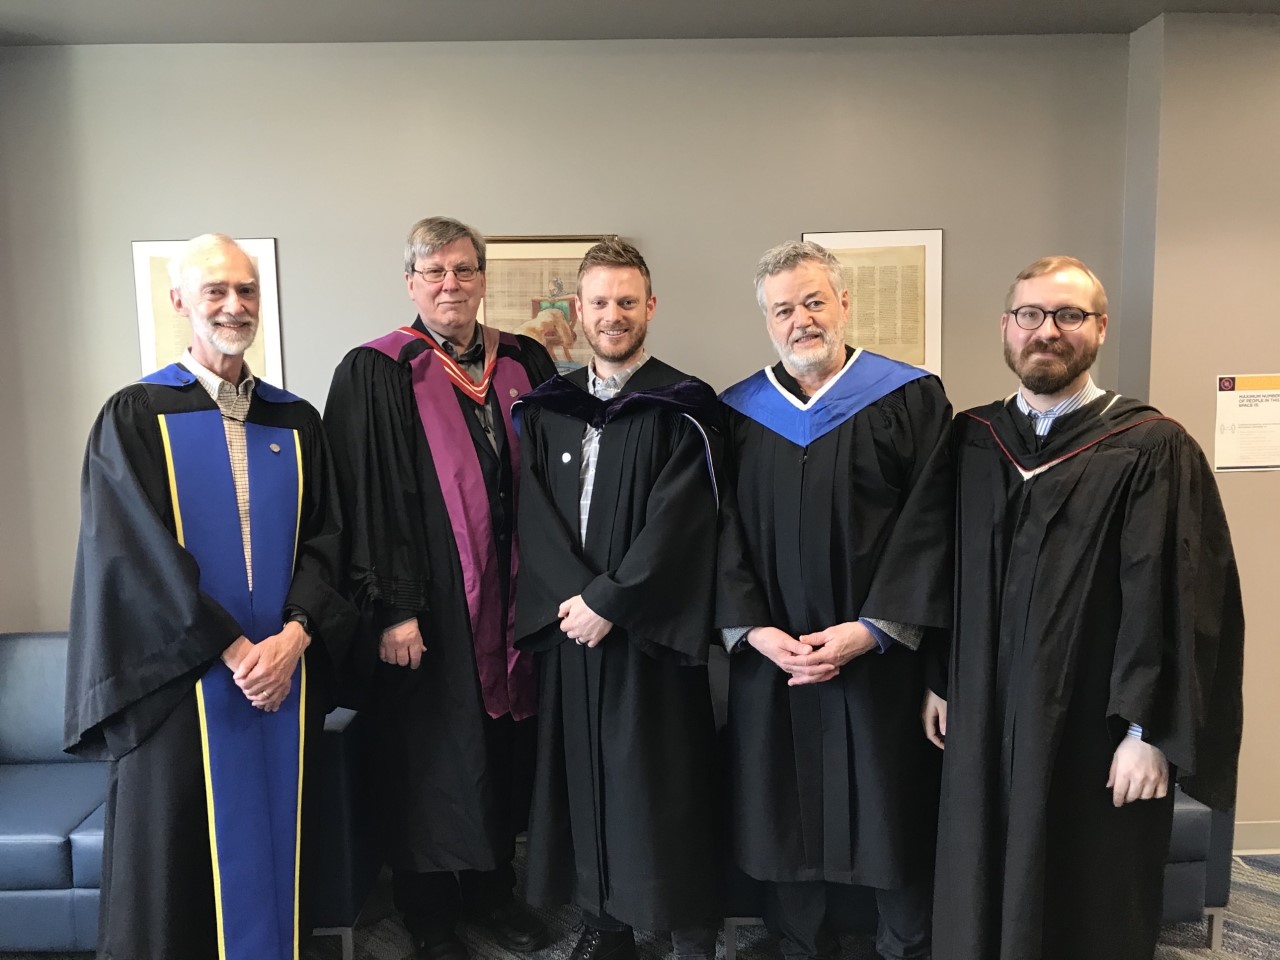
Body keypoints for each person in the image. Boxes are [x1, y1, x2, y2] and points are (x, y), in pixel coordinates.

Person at [926, 256, 1245, 960]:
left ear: (1099, 328)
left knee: (1087, 892)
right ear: (1007, 327)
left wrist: (1148, 732)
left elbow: (1184, 597)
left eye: (1069, 315)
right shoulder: (972, 439)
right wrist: (941, 680)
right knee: (978, 879)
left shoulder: (1152, 445)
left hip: (1096, 728)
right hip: (981, 716)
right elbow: (943, 572)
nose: (1047, 331)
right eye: (1031, 314)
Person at [65, 233, 355, 960]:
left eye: (246, 290)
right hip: (181, 683)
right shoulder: (137, 416)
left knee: (281, 848)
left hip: (282, 679)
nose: (234, 305)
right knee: (179, 871)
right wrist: (232, 649)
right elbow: (133, 556)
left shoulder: (295, 420)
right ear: (180, 302)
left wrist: (293, 639)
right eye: (215, 290)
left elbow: (329, 541)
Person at [323, 217, 556, 960]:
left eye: (462, 269)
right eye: (434, 272)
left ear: (483, 278)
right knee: (427, 754)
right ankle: (428, 917)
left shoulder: (524, 361)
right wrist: (394, 609)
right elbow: (364, 500)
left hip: (511, 602)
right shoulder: (377, 370)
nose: (449, 284)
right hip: (429, 606)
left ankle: (493, 893)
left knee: (500, 745)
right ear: (411, 283)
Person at [717, 240, 953, 960]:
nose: (802, 320)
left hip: (878, 658)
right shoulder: (738, 413)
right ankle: (798, 944)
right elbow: (717, 530)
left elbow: (934, 524)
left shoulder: (909, 398)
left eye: (814, 301)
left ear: (844, 303)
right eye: (784, 309)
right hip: (775, 657)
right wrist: (751, 629)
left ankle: (904, 947)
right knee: (783, 806)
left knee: (890, 804)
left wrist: (876, 629)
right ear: (768, 320)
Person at [515, 238, 722, 960]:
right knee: (585, 783)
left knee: (660, 784)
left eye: (627, 301)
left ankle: (686, 929)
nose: (613, 315)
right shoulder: (549, 408)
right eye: (600, 302)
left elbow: (682, 520)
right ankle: (606, 927)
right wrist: (575, 603)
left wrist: (610, 601)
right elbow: (533, 514)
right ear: (578, 309)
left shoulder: (683, 406)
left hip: (646, 634)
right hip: (573, 630)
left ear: (650, 306)